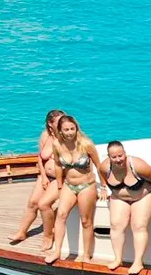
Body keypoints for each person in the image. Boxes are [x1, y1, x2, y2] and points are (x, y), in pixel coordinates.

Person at [44, 114, 106, 265]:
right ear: (60, 131)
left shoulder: (86, 144)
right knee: (61, 214)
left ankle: (86, 255)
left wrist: (104, 187)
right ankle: (57, 251)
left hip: (87, 185)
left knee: (85, 220)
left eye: (72, 128)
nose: (70, 132)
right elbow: (58, 165)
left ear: (76, 128)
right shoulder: (57, 145)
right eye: (66, 129)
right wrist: (59, 186)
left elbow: (100, 166)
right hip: (69, 184)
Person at [100, 141, 151, 275]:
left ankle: (138, 262)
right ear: (109, 157)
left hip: (143, 196)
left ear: (125, 153)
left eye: (120, 155)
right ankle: (118, 258)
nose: (118, 159)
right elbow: (102, 175)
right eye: (114, 157)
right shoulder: (105, 166)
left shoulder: (138, 165)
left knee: (138, 226)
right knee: (116, 225)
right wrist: (103, 188)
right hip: (119, 197)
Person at [10, 108, 64, 250]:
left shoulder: (66, 136)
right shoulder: (45, 136)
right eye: (58, 122)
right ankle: (22, 232)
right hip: (46, 176)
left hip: (60, 178)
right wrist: (44, 176)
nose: (63, 124)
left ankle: (48, 236)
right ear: (50, 123)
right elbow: (40, 157)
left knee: (43, 204)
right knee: (32, 202)